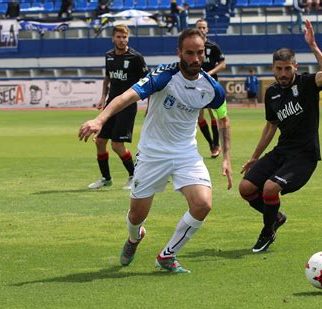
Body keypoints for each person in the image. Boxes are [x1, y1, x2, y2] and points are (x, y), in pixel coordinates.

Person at [79, 28, 232, 273]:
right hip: (153, 153)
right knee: (136, 215)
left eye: (200, 53)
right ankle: (134, 237)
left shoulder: (212, 87)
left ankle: (167, 256)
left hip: (186, 153)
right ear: (179, 52)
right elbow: (127, 96)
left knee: (203, 204)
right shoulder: (164, 75)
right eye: (189, 53)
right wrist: (100, 119)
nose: (195, 58)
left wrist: (226, 159)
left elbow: (223, 119)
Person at [238, 19, 322, 253]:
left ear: (295, 67)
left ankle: (267, 231)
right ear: (273, 68)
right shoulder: (271, 93)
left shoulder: (307, 83)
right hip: (282, 152)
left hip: (304, 156)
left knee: (270, 188)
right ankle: (276, 217)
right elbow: (271, 126)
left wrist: (313, 45)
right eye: (279, 69)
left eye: (287, 68)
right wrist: (255, 157)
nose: (283, 73)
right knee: (246, 188)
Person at [88, 25, 149, 190]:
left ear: (128, 38)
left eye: (125, 37)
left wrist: (150, 105)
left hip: (127, 106)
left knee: (116, 145)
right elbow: (107, 78)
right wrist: (102, 98)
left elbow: (148, 82)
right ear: (113, 38)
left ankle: (134, 175)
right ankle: (106, 178)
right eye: (119, 37)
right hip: (110, 105)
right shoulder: (108, 56)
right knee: (100, 141)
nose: (122, 40)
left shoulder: (136, 57)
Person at [196, 19, 227, 158]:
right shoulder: (193, 47)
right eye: (199, 28)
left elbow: (223, 64)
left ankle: (217, 144)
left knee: (213, 114)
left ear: (207, 29)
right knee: (199, 117)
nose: (201, 30)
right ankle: (211, 145)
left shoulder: (213, 46)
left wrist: (210, 73)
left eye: (203, 27)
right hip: (196, 85)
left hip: (211, 83)